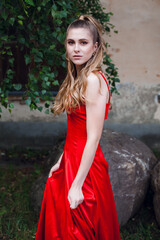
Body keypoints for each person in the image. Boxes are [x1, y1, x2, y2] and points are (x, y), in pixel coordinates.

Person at [35, 14, 121, 240]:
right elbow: (76, 130)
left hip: (86, 167)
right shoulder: (79, 77)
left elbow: (93, 137)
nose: (76, 49)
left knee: (80, 230)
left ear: (95, 47)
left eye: (83, 43)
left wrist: (77, 185)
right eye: (71, 42)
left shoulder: (93, 80)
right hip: (72, 159)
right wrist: (61, 160)